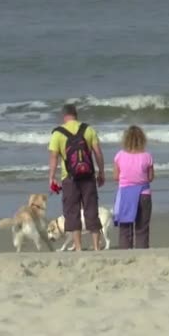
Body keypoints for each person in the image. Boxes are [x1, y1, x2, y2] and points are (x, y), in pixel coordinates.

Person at [48, 104, 105, 251]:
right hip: (88, 176)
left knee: (72, 213)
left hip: (69, 178)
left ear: (64, 116)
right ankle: (96, 247)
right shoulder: (88, 129)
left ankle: (78, 248)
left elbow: (54, 157)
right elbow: (98, 153)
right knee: (91, 211)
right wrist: (101, 172)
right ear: (76, 114)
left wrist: (52, 177)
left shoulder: (57, 133)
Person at [113, 125, 154, 249]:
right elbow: (150, 177)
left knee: (125, 229)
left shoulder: (119, 155)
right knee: (142, 228)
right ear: (142, 139)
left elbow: (116, 176)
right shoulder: (147, 156)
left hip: (125, 195)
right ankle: (142, 253)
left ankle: (125, 253)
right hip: (143, 194)